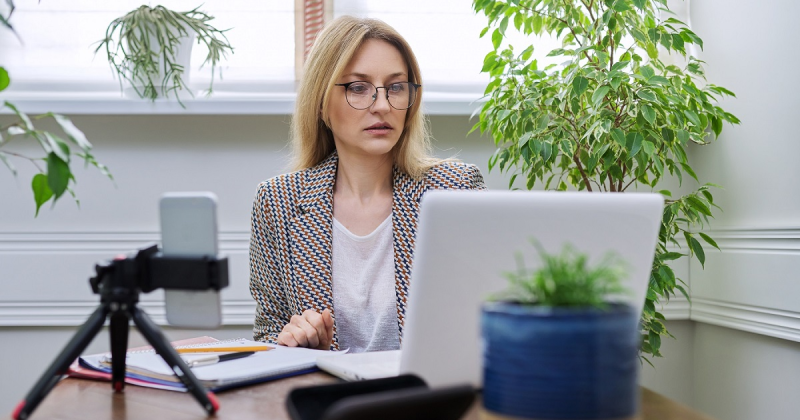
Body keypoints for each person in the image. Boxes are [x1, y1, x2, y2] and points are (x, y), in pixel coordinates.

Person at [249, 16, 486, 352]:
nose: (383, 106)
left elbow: (487, 320)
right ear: (320, 103)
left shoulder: (456, 190)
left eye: (396, 87)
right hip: (326, 387)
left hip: (426, 385)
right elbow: (268, 332)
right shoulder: (277, 202)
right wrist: (296, 343)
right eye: (358, 88)